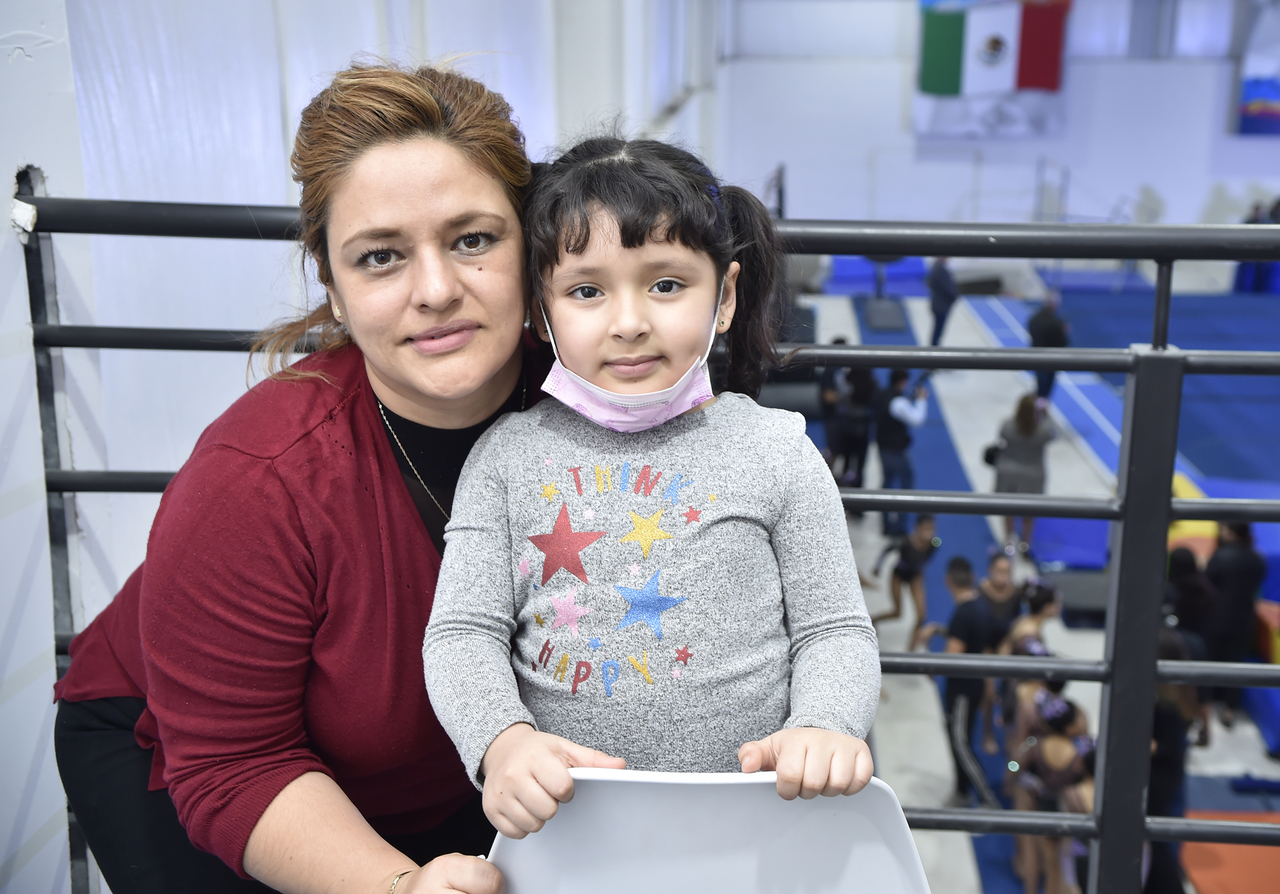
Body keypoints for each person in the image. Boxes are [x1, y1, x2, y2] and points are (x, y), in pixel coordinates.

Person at [52, 63, 546, 894]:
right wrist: (400, 886)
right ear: (333, 284)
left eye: (473, 240)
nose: (436, 290)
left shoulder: (600, 408)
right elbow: (236, 760)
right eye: (381, 257)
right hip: (201, 753)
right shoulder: (257, 481)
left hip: (447, 769)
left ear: (529, 241)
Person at [422, 137, 881, 840]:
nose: (630, 323)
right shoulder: (505, 461)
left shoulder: (777, 451)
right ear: (541, 311)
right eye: (586, 291)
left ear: (725, 296)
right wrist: (502, 741)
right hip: (572, 836)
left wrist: (825, 723)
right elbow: (462, 634)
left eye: (666, 285)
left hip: (756, 828)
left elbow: (834, 629)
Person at [924, 557, 1003, 809]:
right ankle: (961, 792)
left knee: (960, 744)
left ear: (948, 581)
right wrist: (939, 630)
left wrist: (931, 668)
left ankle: (987, 800)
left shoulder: (963, 614)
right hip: (975, 684)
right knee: (961, 739)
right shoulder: (981, 607)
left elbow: (953, 655)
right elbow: (973, 640)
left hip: (962, 690)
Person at [1205, 521, 1267, 726]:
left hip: (1217, 616)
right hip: (1244, 618)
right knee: (1235, 662)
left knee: (1211, 660)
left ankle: (1206, 705)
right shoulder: (1257, 559)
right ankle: (1229, 708)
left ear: (1231, 533)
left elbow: (1207, 583)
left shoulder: (1220, 557)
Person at [993, 393, 1057, 555]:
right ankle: (1025, 546)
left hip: (1009, 473)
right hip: (1032, 476)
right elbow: (1054, 433)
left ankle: (1009, 543)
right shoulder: (1042, 431)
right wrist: (1047, 415)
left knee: (1008, 510)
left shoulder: (1008, 426)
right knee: (1029, 513)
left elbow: (1001, 435)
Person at [871, 514, 939, 649]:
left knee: (922, 616)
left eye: (932, 529)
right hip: (898, 575)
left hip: (915, 577)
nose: (929, 533)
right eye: (926, 529)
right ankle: (873, 619)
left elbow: (927, 557)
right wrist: (878, 567)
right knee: (897, 612)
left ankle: (910, 649)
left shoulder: (934, 543)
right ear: (917, 528)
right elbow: (887, 550)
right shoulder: (905, 541)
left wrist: (919, 570)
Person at [875, 368, 928, 536]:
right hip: (897, 451)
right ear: (902, 382)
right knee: (906, 489)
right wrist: (921, 400)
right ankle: (899, 527)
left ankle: (886, 524)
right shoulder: (898, 403)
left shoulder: (882, 395)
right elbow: (917, 420)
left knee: (887, 484)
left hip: (883, 448)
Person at [819, 338, 875, 489]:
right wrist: (846, 398)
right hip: (837, 421)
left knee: (848, 460)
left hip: (849, 424)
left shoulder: (848, 372)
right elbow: (828, 397)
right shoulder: (831, 371)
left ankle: (846, 490)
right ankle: (827, 487)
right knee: (836, 455)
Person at [1027, 292, 1068, 400]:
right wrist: (1064, 332)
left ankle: (1038, 400)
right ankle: (1042, 402)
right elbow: (1063, 343)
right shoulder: (1055, 323)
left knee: (1040, 381)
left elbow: (1031, 331)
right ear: (1054, 305)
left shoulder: (1034, 319)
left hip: (1036, 356)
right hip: (1051, 359)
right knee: (1045, 386)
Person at [928, 256, 958, 346]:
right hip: (941, 305)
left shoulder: (937, 267)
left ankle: (934, 345)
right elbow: (947, 288)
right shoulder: (940, 270)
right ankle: (934, 346)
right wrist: (954, 296)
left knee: (938, 328)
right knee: (938, 329)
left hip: (939, 303)